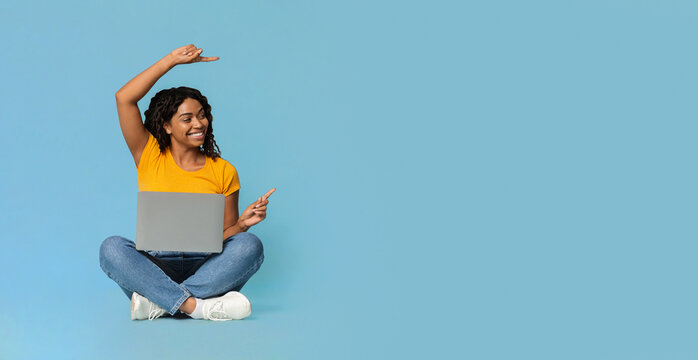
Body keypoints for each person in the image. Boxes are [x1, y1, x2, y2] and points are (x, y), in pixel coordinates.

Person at [99, 44, 275, 321]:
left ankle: (159, 302)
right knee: (111, 248)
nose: (199, 123)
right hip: (154, 265)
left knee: (249, 245)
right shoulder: (149, 154)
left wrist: (241, 225)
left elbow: (226, 235)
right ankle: (198, 307)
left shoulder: (224, 170)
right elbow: (124, 98)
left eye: (202, 114)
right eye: (187, 118)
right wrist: (171, 61)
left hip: (206, 266)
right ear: (166, 125)